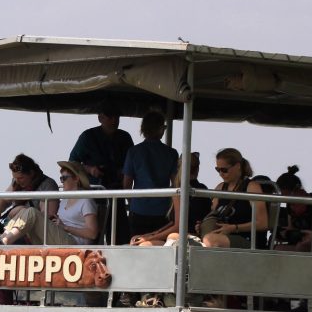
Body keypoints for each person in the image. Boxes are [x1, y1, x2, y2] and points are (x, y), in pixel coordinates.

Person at [0, 161, 98, 247]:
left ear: (76, 179)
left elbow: (92, 233)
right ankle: (0, 237)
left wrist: (65, 228)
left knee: (32, 212)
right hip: (60, 237)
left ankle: (3, 241)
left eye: (64, 178)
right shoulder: (64, 200)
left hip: (74, 244)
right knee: (26, 212)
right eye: (61, 178)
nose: (62, 181)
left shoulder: (86, 200)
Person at [69, 100, 134, 244]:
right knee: (94, 235)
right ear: (100, 118)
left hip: (117, 193)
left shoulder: (125, 137)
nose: (114, 120)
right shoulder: (87, 137)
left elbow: (132, 164)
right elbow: (72, 163)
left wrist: (123, 172)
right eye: (110, 117)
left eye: (117, 117)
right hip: (93, 193)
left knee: (120, 236)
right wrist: (90, 169)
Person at [122, 111, 178, 239]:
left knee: (136, 244)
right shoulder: (171, 153)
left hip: (138, 209)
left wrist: (132, 202)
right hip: (163, 210)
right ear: (161, 129)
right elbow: (176, 183)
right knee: (162, 246)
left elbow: (126, 185)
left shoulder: (134, 152)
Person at [136, 152, 209, 247]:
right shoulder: (203, 189)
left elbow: (178, 226)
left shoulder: (178, 190)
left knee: (144, 245)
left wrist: (150, 238)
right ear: (197, 169)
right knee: (141, 241)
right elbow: (175, 223)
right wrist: (153, 234)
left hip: (186, 238)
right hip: (189, 236)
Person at [200, 148, 269, 249]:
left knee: (211, 240)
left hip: (248, 239)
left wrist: (234, 228)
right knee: (180, 238)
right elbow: (213, 215)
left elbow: (263, 223)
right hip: (222, 237)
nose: (220, 173)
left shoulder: (252, 187)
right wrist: (203, 225)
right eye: (218, 170)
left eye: (224, 170)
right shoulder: (220, 187)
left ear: (237, 166)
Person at [0, 154, 59, 231]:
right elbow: (4, 199)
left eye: (21, 178)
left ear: (31, 173)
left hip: (29, 230)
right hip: (12, 224)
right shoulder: (16, 183)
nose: (17, 181)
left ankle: (4, 230)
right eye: (15, 178)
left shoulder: (47, 185)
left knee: (22, 210)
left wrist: (23, 212)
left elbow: (46, 218)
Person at [273, 166, 312, 252]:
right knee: (277, 248)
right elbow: (291, 228)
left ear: (298, 189)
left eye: (287, 196)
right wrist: (284, 234)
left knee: (301, 246)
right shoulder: (289, 205)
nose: (287, 200)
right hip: (300, 242)